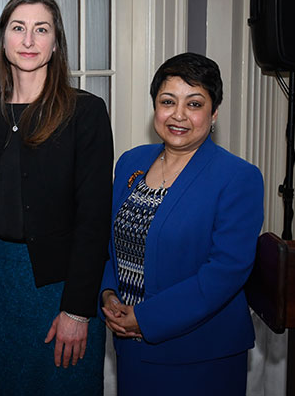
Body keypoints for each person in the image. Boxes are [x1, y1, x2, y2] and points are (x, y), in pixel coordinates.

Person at [100, 52, 264, 395]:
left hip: (200, 356)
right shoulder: (131, 162)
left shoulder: (238, 177)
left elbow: (225, 272)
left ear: (214, 112)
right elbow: (110, 243)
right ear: (155, 107)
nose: (178, 115)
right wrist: (108, 292)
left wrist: (146, 319)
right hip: (131, 349)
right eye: (168, 101)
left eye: (194, 104)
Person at [0, 0, 114, 395]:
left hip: (62, 286)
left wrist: (77, 309)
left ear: (56, 43)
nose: (29, 40)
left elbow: (94, 218)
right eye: (18, 29)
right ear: (3, 40)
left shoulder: (84, 112)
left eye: (41, 30)